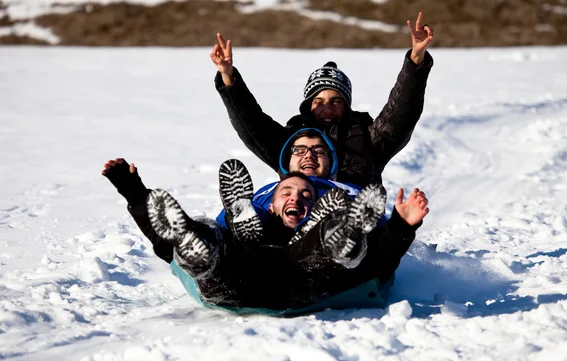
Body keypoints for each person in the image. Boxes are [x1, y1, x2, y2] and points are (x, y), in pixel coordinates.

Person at [102, 158, 429, 313]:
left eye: (305, 196)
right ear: (271, 203)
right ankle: (199, 241)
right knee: (217, 247)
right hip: (247, 274)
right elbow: (166, 246)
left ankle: (344, 231)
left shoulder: (312, 231)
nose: (296, 198)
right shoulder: (255, 229)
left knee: (325, 248)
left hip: (307, 278)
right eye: (287, 192)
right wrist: (135, 193)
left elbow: (380, 264)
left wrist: (401, 225)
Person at [210, 12, 434, 187]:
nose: (327, 107)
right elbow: (251, 124)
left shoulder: (369, 139)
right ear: (308, 106)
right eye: (318, 101)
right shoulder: (290, 142)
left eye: (335, 100)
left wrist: (416, 60)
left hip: (355, 225)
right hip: (300, 220)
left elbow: (401, 112)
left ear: (346, 105)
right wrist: (228, 77)